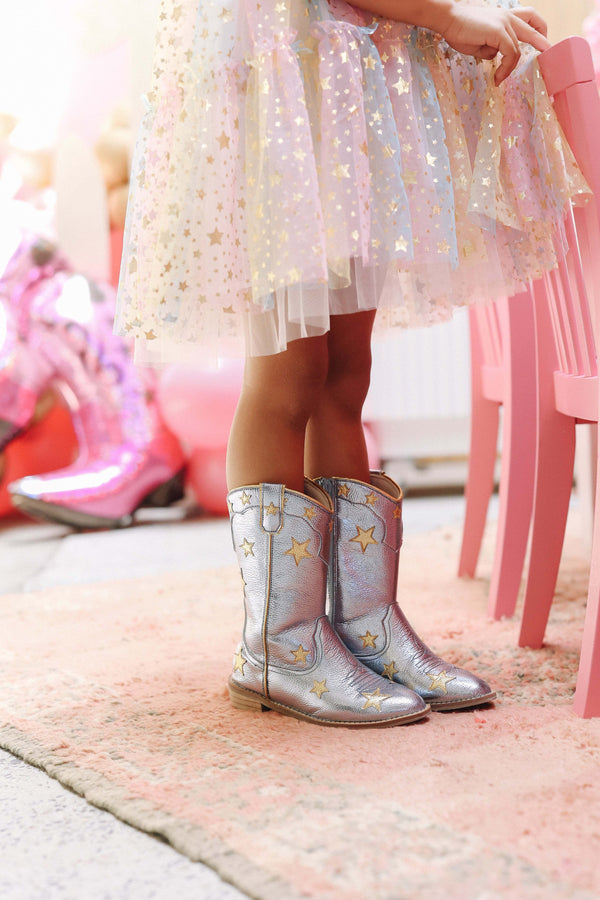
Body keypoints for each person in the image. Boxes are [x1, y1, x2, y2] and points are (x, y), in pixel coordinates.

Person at [116, 0, 588, 726]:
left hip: (344, 82)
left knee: (344, 376)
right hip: (290, 81)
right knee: (287, 379)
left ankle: (364, 625)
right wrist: (449, 17)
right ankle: (280, 646)